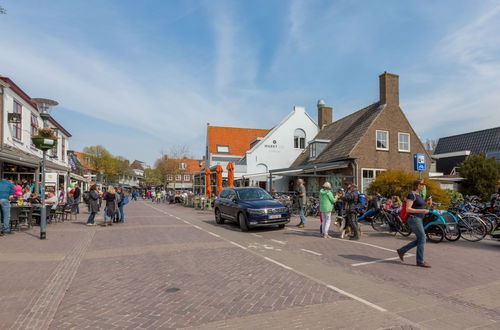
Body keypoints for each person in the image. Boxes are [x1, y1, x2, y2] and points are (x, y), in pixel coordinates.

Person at [397, 179, 431, 268]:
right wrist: (423, 210)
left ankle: (402, 250)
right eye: (422, 184)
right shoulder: (411, 195)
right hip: (414, 218)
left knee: (420, 239)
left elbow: (420, 205)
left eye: (424, 184)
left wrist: (428, 204)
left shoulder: (419, 195)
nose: (423, 186)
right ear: (417, 185)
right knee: (423, 238)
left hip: (418, 218)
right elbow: (408, 209)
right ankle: (420, 261)